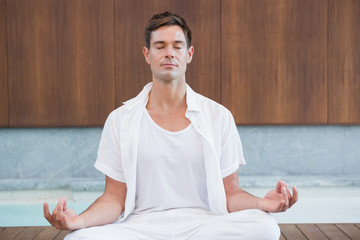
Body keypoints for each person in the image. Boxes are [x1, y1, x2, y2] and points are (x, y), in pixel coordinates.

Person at [43, 11, 298, 240]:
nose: (169, 53)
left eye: (177, 46)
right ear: (147, 54)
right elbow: (113, 198)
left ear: (189, 54)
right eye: (160, 46)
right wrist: (79, 221)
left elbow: (231, 193)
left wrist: (263, 203)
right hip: (141, 227)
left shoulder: (218, 116)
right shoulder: (121, 120)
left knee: (265, 227)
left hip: (203, 226)